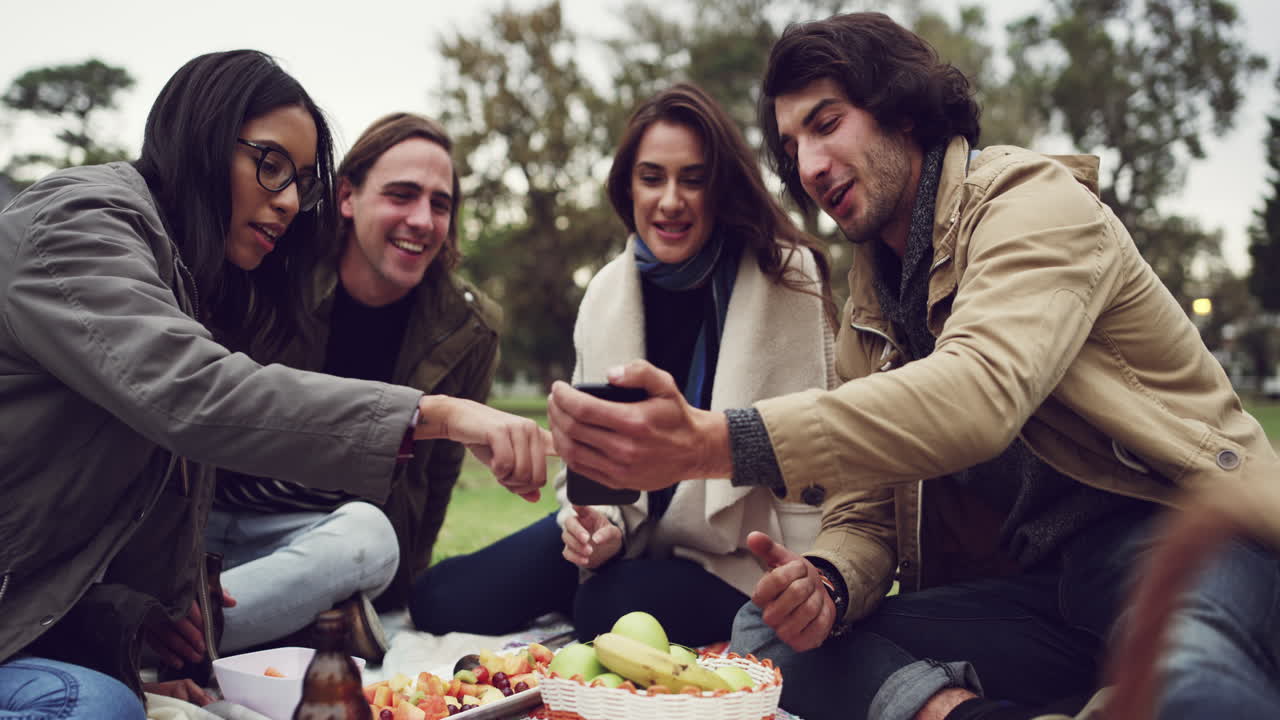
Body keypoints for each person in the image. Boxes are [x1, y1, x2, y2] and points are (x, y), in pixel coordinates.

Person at [546, 12, 1280, 720]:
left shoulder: (1032, 202)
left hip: (1179, 539)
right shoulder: (871, 300)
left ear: (904, 113)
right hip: (1039, 594)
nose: (809, 166)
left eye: (827, 123)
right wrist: (828, 581)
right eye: (792, 144)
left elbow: (978, 394)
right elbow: (866, 510)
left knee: (1189, 683)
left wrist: (717, 440)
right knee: (769, 636)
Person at [0, 50, 550, 720]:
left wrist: (135, 620)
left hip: (74, 602)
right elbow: (199, 397)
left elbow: (90, 511)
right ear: (201, 138)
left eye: (299, 182)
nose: (288, 201)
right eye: (269, 165)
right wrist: (436, 414)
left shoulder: (214, 275)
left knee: (365, 539)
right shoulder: (81, 223)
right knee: (100, 708)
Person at [412, 83, 836, 646]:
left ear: (721, 186)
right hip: (631, 533)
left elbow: (815, 458)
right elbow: (586, 469)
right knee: (438, 598)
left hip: (736, 553)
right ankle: (601, 578)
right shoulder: (607, 291)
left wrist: (818, 574)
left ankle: (608, 589)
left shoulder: (787, 277)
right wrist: (594, 529)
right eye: (652, 177)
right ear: (628, 186)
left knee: (609, 605)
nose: (670, 201)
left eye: (693, 178)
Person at [205, 112, 502, 662]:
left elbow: (436, 482)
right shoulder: (273, 268)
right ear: (347, 197)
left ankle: (188, 634)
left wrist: (401, 588)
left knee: (371, 537)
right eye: (402, 195)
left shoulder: (468, 327)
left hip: (313, 539)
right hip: (208, 517)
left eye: (441, 204)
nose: (422, 219)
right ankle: (285, 621)